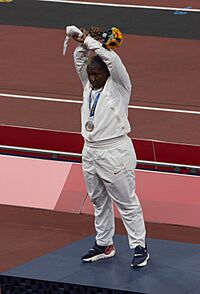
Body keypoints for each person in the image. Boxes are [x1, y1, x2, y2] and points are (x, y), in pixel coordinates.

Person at [72, 26, 149, 267]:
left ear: (107, 74)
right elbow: (79, 58)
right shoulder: (88, 85)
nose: (92, 78)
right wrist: (84, 41)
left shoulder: (120, 86)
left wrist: (96, 44)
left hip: (115, 151)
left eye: (96, 75)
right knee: (98, 200)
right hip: (90, 150)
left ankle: (139, 247)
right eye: (90, 74)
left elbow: (111, 59)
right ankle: (104, 244)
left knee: (126, 201)